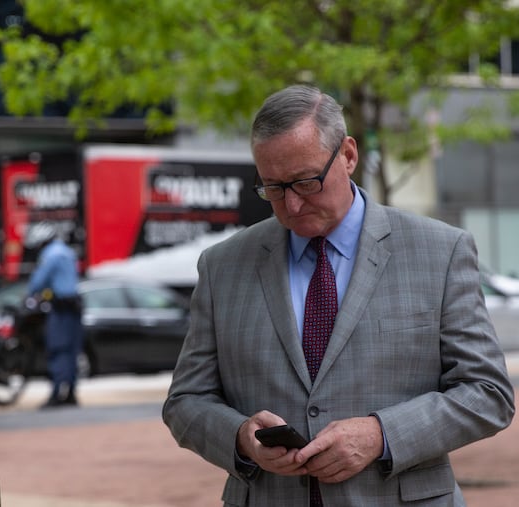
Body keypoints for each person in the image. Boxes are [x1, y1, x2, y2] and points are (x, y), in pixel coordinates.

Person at [162, 84, 515, 506]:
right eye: (273, 188)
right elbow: (185, 402)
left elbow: (487, 393)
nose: (291, 205)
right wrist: (240, 439)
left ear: (348, 155)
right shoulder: (222, 266)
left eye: (305, 182)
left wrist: (381, 435)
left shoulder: (440, 251)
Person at [27, 222, 83, 408]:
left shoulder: (49, 255)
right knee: (73, 350)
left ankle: (56, 393)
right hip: (75, 306)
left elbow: (38, 282)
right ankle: (71, 393)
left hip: (60, 309)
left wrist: (29, 296)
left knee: (58, 349)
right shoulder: (67, 252)